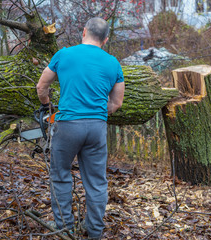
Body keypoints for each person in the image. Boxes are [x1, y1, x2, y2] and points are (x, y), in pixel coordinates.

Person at [36, 17, 125, 239]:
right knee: (96, 182)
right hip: (96, 128)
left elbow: (41, 85)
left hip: (67, 126)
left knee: (60, 176)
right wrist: (94, 113)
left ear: (83, 31)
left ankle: (64, 228)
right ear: (105, 40)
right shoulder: (113, 63)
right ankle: (94, 231)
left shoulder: (63, 55)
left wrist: (46, 104)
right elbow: (116, 103)